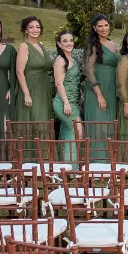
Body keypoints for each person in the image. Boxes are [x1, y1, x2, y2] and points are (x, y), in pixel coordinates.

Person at [83, 14, 119, 157]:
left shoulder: (113, 45)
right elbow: (88, 71)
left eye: (106, 25)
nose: (104, 28)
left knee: (109, 125)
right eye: (100, 26)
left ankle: (109, 161)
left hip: (111, 88)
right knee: (99, 125)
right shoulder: (93, 45)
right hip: (97, 89)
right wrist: (99, 94)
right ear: (94, 28)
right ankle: (96, 162)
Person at [13, 16, 53, 134]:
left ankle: (43, 151)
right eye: (31, 27)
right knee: (33, 119)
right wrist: (26, 94)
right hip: (30, 87)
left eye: (38, 27)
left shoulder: (41, 46)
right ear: (26, 30)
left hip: (43, 88)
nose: (35, 30)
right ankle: (28, 151)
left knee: (43, 119)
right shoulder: (24, 46)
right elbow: (19, 71)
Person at [52, 31, 82, 162]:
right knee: (78, 132)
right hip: (64, 102)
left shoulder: (72, 59)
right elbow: (58, 83)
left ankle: (65, 166)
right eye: (65, 41)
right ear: (59, 44)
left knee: (68, 133)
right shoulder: (60, 60)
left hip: (72, 101)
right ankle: (71, 168)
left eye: (71, 40)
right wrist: (66, 103)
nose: (69, 43)